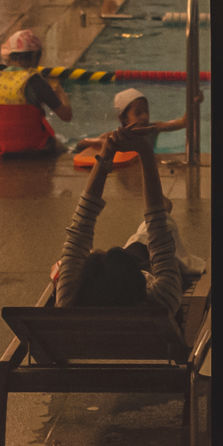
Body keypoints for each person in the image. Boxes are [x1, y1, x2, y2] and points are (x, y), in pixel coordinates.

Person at [57, 102, 185, 316]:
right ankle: (164, 209)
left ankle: (162, 212)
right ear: (141, 284)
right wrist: (145, 151)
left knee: (146, 234)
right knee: (156, 227)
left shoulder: (69, 302)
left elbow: (80, 228)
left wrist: (106, 154)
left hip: (102, 321)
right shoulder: (162, 300)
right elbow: (159, 234)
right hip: (143, 259)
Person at [0, 27, 71, 156]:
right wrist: (60, 90)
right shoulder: (34, 80)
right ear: (35, 56)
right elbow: (66, 116)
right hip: (34, 148)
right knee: (67, 149)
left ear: (9, 56)